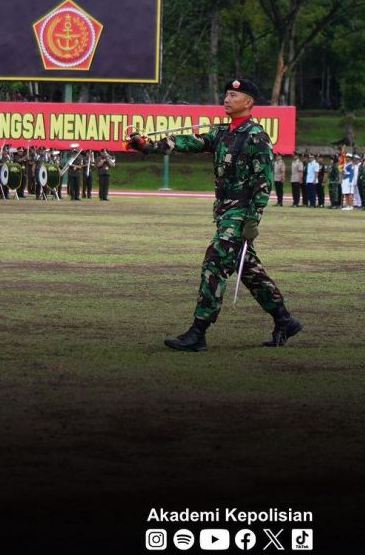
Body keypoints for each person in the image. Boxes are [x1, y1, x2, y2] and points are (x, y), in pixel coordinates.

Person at [126, 78, 302, 352]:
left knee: (215, 263)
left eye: (234, 95)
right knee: (248, 269)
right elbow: (188, 142)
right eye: (227, 94)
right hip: (225, 212)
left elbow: (263, 181)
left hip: (240, 214)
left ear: (249, 102)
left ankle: (198, 332)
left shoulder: (255, 136)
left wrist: (253, 218)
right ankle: (284, 319)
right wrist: (147, 145)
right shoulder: (223, 133)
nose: (227, 98)